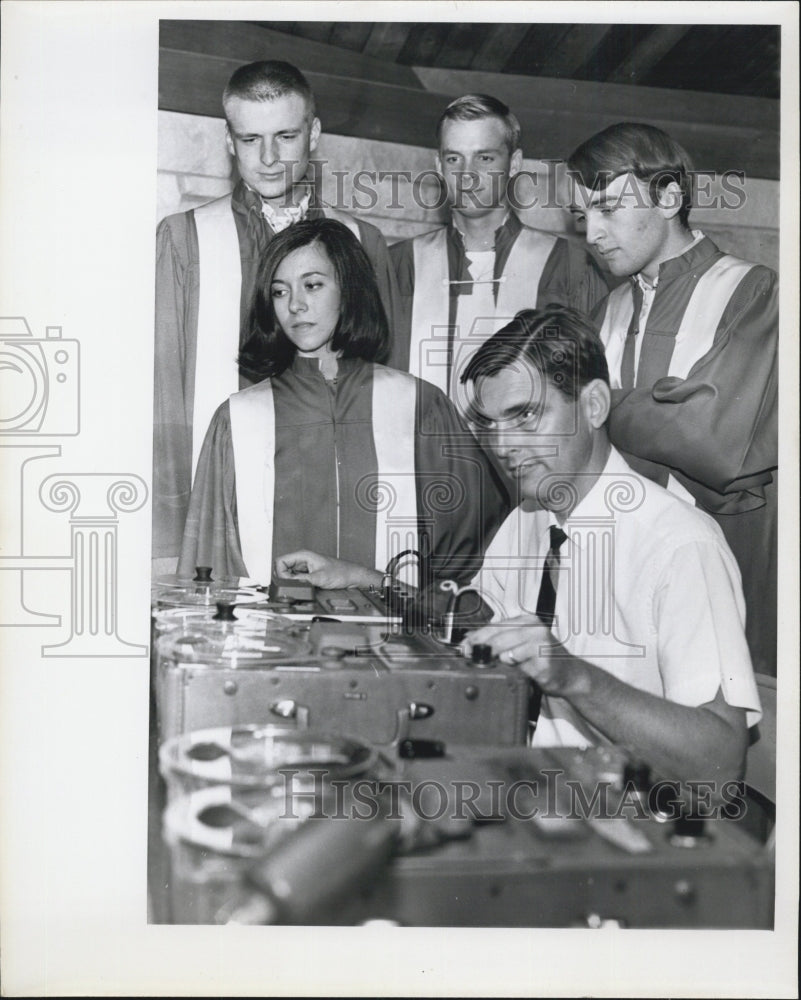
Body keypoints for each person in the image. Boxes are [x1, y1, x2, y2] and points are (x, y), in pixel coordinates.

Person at [458, 307, 760, 786]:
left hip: (625, 818)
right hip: (523, 795)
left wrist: (576, 678)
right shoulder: (526, 519)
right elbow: (477, 628)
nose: (502, 446)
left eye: (525, 415)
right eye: (490, 424)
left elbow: (720, 769)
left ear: (594, 405)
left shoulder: (681, 545)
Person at [154, 60, 399, 569]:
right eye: (250, 139)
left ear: (314, 134)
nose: (268, 159)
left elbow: (384, 392)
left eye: (285, 137)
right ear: (229, 140)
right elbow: (165, 401)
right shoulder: (185, 240)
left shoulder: (361, 241)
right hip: (222, 499)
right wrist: (167, 544)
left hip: (335, 499)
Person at [178, 219, 509, 588]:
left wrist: (416, 599)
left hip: (393, 622)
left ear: (348, 290)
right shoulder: (238, 419)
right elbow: (209, 564)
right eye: (280, 292)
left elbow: (473, 552)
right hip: (268, 624)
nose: (296, 305)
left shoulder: (419, 406)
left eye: (312, 285)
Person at [566, 122, 777, 677]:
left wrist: (600, 406)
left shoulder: (755, 291)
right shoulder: (607, 310)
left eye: (607, 209)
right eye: (583, 216)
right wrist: (653, 406)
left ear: (668, 197)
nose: (592, 233)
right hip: (620, 572)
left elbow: (710, 438)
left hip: (724, 571)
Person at [389, 93, 609, 401]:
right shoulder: (398, 267)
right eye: (454, 159)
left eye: (485, 158)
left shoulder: (568, 267)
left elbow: (592, 388)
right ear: (438, 166)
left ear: (514, 163)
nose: (467, 175)